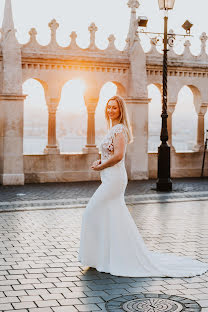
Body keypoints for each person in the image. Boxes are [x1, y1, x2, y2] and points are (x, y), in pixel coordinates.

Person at [78, 95, 208, 277]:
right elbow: (111, 154)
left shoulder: (119, 130)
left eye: (114, 108)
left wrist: (101, 165)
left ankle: (104, 256)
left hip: (114, 180)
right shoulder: (113, 128)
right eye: (108, 107)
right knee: (111, 215)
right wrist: (102, 159)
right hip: (109, 178)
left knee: (91, 212)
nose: (110, 110)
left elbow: (119, 156)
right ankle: (106, 257)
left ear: (121, 110)